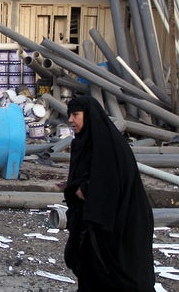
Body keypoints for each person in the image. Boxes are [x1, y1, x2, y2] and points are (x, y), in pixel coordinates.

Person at [64, 96, 154, 291]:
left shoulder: (110, 146)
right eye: (69, 115)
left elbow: (112, 183)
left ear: (88, 116)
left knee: (123, 275)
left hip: (120, 224)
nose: (70, 120)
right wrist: (77, 189)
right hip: (92, 224)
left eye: (75, 115)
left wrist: (88, 190)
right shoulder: (82, 143)